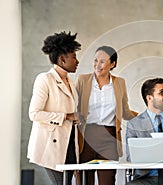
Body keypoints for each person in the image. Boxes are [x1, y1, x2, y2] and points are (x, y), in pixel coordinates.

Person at [75, 45, 137, 185]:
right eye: (95, 60)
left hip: (109, 139)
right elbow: (74, 108)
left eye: (102, 61)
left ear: (112, 64)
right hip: (85, 137)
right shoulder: (82, 80)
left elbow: (125, 112)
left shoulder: (119, 83)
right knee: (84, 181)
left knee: (107, 181)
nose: (97, 65)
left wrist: (146, 117)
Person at [27, 31, 82, 185]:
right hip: (51, 145)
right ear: (62, 59)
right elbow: (34, 114)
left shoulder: (70, 82)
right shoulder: (45, 79)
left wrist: (76, 118)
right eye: (74, 57)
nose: (77, 61)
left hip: (69, 144)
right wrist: (66, 116)